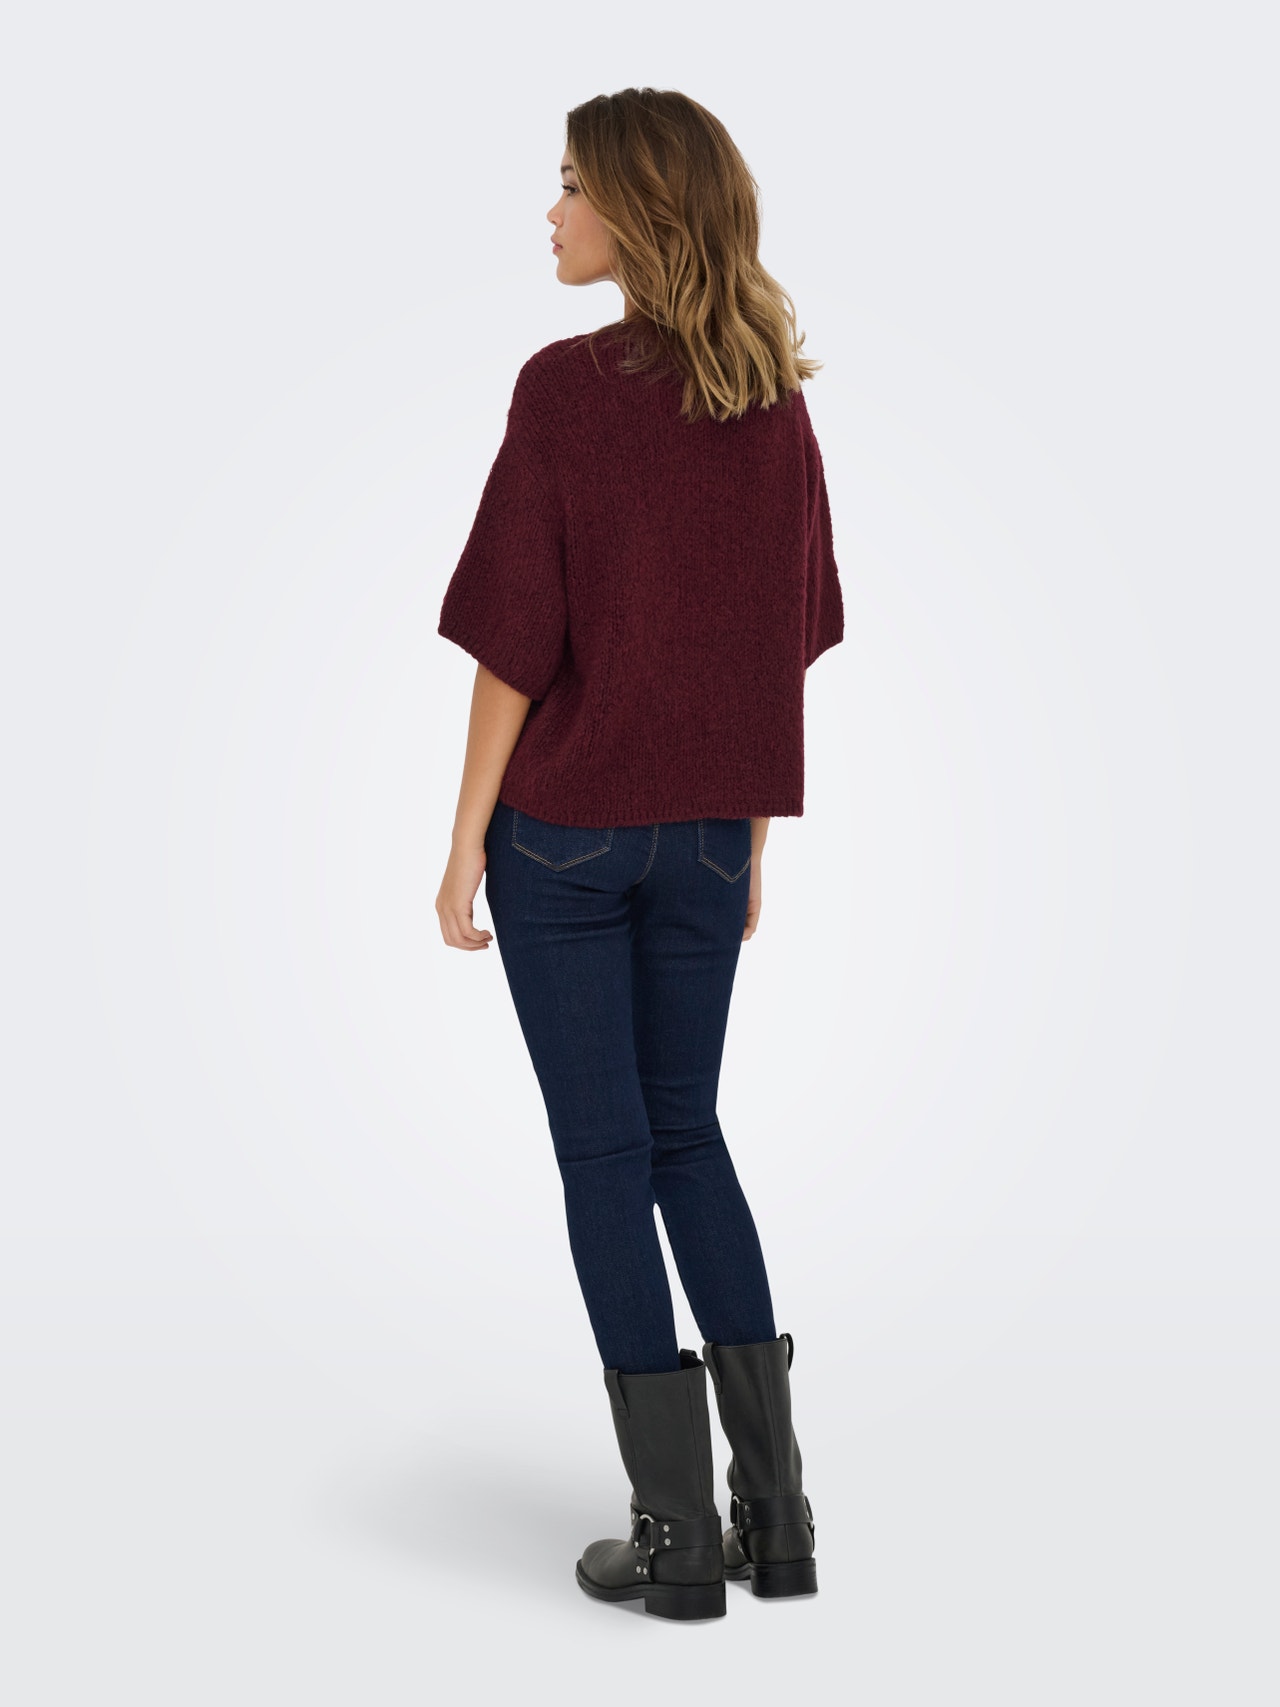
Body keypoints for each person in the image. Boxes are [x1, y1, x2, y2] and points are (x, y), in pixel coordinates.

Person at [435, 88, 844, 1621]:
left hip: (568, 838)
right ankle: (779, 1524)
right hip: (706, 840)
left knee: (609, 1156)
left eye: (570, 186)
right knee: (691, 1138)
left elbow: (512, 641)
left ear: (634, 208)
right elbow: (781, 639)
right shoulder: (771, 405)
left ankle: (675, 1540)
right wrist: (743, 839)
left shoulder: (564, 390)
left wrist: (463, 842)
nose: (550, 214)